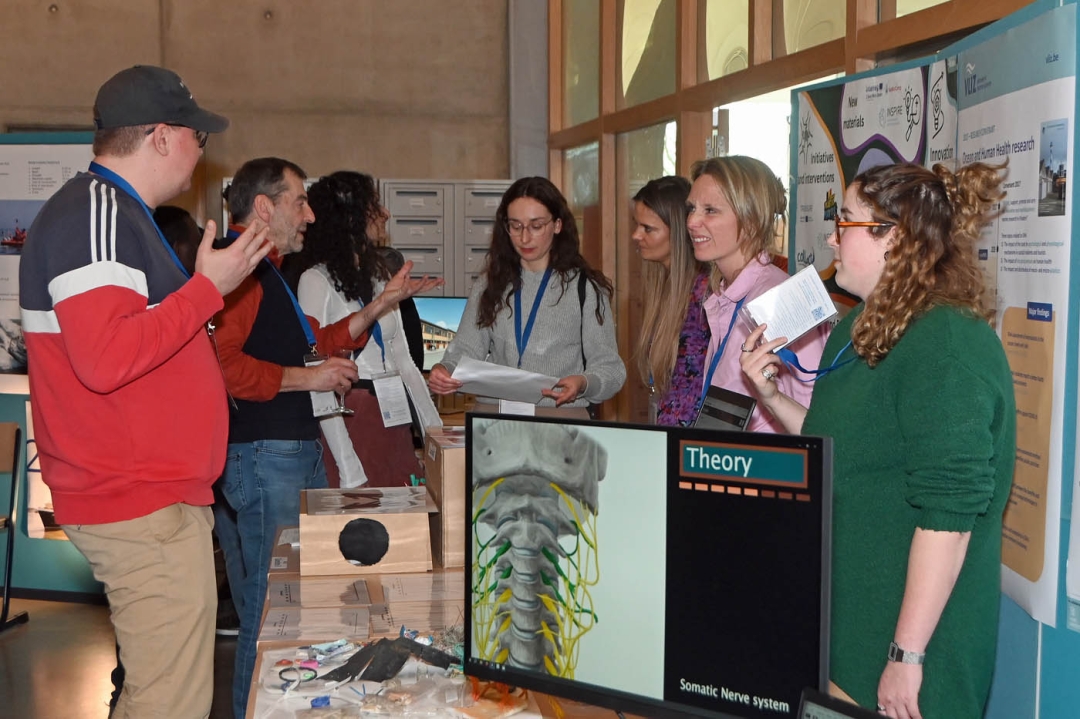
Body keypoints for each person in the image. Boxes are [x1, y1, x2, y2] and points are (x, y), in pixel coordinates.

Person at [18, 65, 270, 719]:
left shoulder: (118, 215)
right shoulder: (96, 214)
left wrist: (202, 294)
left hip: (151, 497)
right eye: (196, 136)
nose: (201, 150)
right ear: (160, 136)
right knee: (168, 702)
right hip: (137, 500)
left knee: (164, 695)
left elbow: (139, 342)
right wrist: (206, 290)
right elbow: (106, 358)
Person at [739, 161, 1015, 719]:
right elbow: (839, 445)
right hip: (850, 627)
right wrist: (770, 397)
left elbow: (948, 520)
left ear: (895, 238)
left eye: (845, 222)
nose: (832, 237)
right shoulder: (862, 324)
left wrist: (905, 655)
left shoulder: (946, 344)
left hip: (914, 648)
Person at [213, 157, 441, 719]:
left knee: (294, 604)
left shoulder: (268, 271)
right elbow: (222, 365)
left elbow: (318, 340)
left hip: (289, 453)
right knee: (270, 607)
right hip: (266, 456)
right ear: (264, 207)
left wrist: (381, 305)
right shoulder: (235, 269)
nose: (309, 216)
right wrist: (307, 378)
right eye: (299, 202)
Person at [290, 171, 440, 488]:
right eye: (374, 205)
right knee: (360, 514)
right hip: (350, 420)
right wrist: (349, 469)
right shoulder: (314, 280)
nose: (385, 213)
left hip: (394, 417)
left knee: (407, 512)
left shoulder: (379, 275)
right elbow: (318, 379)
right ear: (350, 217)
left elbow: (405, 363)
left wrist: (435, 434)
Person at [427, 176, 625, 408]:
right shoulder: (488, 284)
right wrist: (445, 369)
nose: (524, 237)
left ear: (557, 225)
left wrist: (584, 383)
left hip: (558, 417)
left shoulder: (585, 289)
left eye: (536, 226)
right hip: (494, 416)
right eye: (516, 226)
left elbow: (610, 369)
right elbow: (465, 349)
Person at [687, 156, 828, 432]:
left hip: (766, 460)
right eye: (691, 208)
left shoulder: (784, 299)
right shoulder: (724, 295)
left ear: (751, 221)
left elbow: (813, 422)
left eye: (710, 210)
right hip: (726, 457)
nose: (692, 221)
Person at [631, 175, 711, 426]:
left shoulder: (704, 294)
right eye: (636, 225)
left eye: (648, 229)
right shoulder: (664, 286)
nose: (636, 235)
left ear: (677, 232)